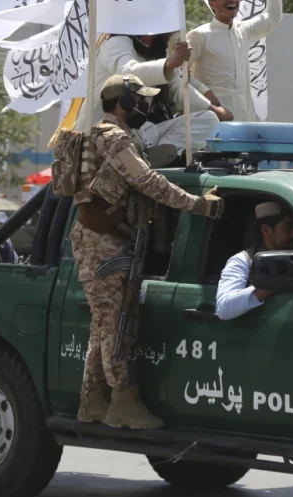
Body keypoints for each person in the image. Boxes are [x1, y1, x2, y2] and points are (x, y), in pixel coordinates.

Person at [65, 74, 224, 429]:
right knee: (115, 324)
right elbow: (146, 181)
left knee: (104, 323)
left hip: (107, 237)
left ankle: (92, 400)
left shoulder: (120, 136)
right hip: (100, 239)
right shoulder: (113, 138)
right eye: (140, 99)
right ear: (123, 99)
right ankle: (123, 401)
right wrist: (196, 205)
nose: (146, 106)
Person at [92, 0, 224, 165]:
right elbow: (129, 72)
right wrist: (170, 64)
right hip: (106, 136)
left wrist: (216, 110)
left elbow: (179, 91)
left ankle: (151, 155)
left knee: (208, 121)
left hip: (144, 137)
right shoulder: (115, 42)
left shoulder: (157, 54)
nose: (172, 30)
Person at [186, 0, 283, 123]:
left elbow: (273, 17)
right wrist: (208, 97)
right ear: (212, 4)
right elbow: (180, 74)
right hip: (212, 119)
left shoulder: (243, 30)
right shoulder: (200, 35)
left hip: (244, 119)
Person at [215, 202, 293, 321]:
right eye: (288, 227)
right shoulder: (243, 260)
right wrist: (270, 285)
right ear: (266, 230)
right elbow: (224, 308)